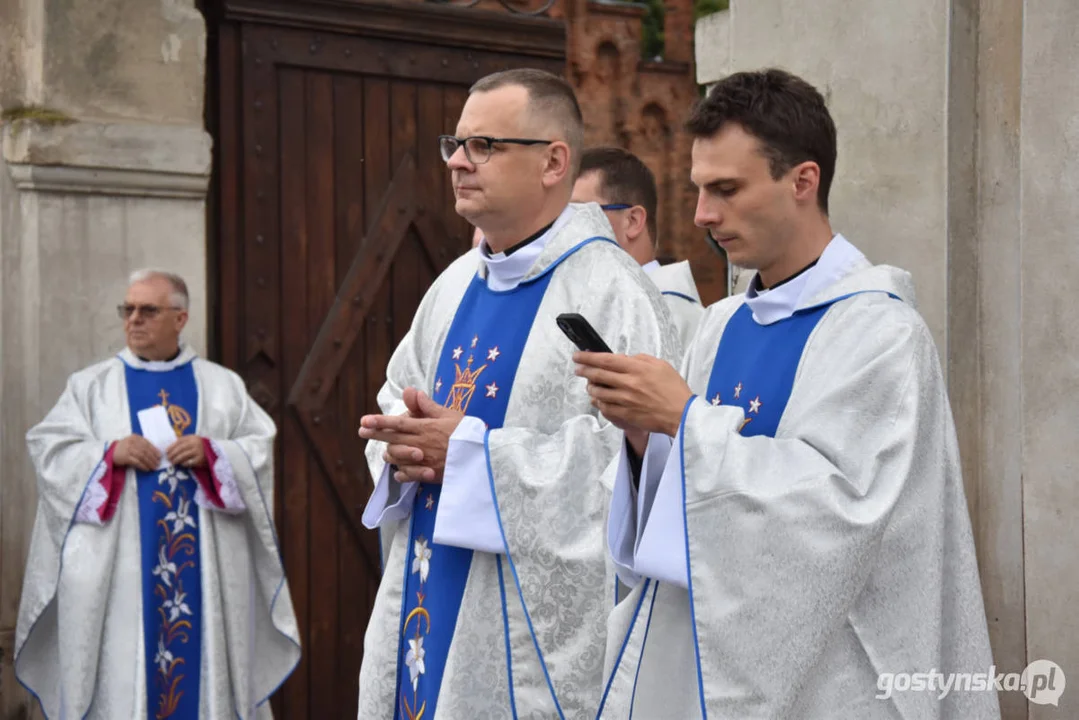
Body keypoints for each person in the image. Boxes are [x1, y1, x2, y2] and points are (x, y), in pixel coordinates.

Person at [575, 69, 998, 719]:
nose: (701, 215)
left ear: (802, 181)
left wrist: (684, 420)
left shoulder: (878, 332)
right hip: (705, 666)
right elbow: (683, 496)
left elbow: (840, 514)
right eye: (697, 190)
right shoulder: (720, 326)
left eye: (726, 190)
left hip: (834, 676)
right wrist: (644, 439)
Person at [355, 68, 679, 719]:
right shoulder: (451, 285)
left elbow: (638, 462)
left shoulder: (610, 290)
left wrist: (473, 458)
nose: (456, 161)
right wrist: (404, 446)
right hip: (427, 578)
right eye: (455, 142)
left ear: (553, 161)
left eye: (484, 145)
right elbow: (400, 389)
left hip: (527, 639)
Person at [15, 270, 301, 719]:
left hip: (203, 571)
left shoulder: (221, 387)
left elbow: (258, 450)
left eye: (148, 310)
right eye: (126, 310)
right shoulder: (90, 387)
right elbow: (51, 452)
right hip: (121, 577)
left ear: (180, 317)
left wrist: (214, 453)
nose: (133, 320)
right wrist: (108, 454)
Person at [573, 146, 704, 351]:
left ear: (632, 221)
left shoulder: (670, 314)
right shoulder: (595, 305)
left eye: (578, 214)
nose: (563, 230)